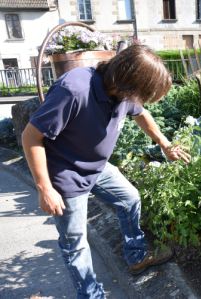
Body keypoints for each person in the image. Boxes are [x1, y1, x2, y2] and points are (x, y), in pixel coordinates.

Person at [21, 44, 190, 299]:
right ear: (127, 84)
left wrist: (165, 145)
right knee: (76, 244)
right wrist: (45, 188)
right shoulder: (74, 90)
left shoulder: (123, 94)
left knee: (130, 198)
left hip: (96, 167)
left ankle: (136, 256)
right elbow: (30, 136)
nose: (142, 101)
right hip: (67, 176)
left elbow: (142, 114)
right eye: (142, 95)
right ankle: (92, 296)